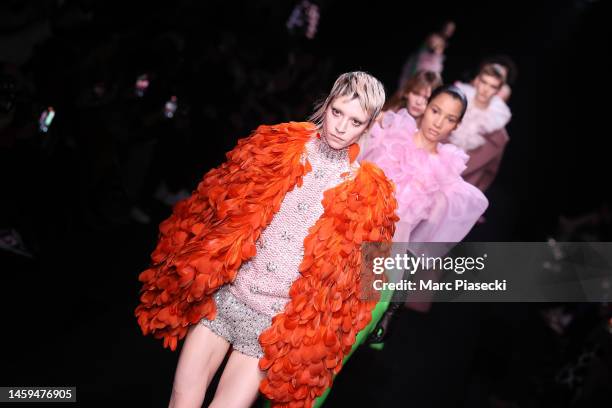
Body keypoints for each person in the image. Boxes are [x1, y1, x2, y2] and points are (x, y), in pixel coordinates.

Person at [134, 71, 398, 408]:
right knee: (181, 401)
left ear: (369, 125)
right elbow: (214, 206)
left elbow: (357, 290)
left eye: (355, 120)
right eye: (337, 112)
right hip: (225, 297)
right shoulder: (274, 145)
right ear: (326, 104)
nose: (341, 127)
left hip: (271, 325)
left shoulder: (371, 195)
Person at [359, 84, 488, 325]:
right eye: (436, 111)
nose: (438, 123)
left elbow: (416, 248)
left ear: (456, 125)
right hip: (342, 239)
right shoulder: (387, 139)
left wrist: (394, 306)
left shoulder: (445, 180)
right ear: (426, 107)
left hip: (380, 269)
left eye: (449, 118)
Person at [448, 64, 512, 193]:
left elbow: (490, 172)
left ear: (498, 91)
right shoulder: (452, 106)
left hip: (461, 190)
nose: (486, 89)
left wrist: (471, 195)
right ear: (477, 81)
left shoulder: (497, 133)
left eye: (492, 86)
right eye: (484, 82)